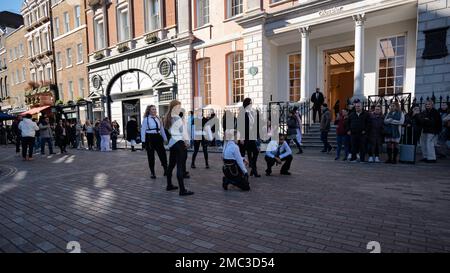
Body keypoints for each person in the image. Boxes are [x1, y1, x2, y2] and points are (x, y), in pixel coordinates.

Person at [164, 100, 193, 196]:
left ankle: (169, 185)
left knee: (171, 165)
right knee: (180, 166)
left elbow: (168, 131)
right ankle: (182, 190)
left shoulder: (168, 117)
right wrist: (187, 141)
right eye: (178, 107)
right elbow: (183, 131)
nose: (180, 108)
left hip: (173, 143)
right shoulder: (177, 118)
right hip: (179, 143)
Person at [141, 105, 168, 179]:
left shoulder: (158, 118)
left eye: (155, 109)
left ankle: (166, 170)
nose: (155, 110)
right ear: (149, 111)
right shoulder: (146, 119)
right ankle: (152, 173)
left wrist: (165, 139)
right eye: (153, 109)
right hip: (149, 138)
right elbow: (143, 130)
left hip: (158, 137)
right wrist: (143, 142)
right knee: (151, 156)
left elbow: (161, 129)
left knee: (162, 154)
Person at [237, 98, 261, 178]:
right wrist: (241, 138)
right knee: (242, 155)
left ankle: (253, 169)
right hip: (244, 137)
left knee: (256, 152)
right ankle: (241, 171)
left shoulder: (251, 113)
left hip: (251, 137)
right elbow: (239, 126)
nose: (251, 104)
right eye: (250, 103)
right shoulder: (241, 113)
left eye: (252, 103)